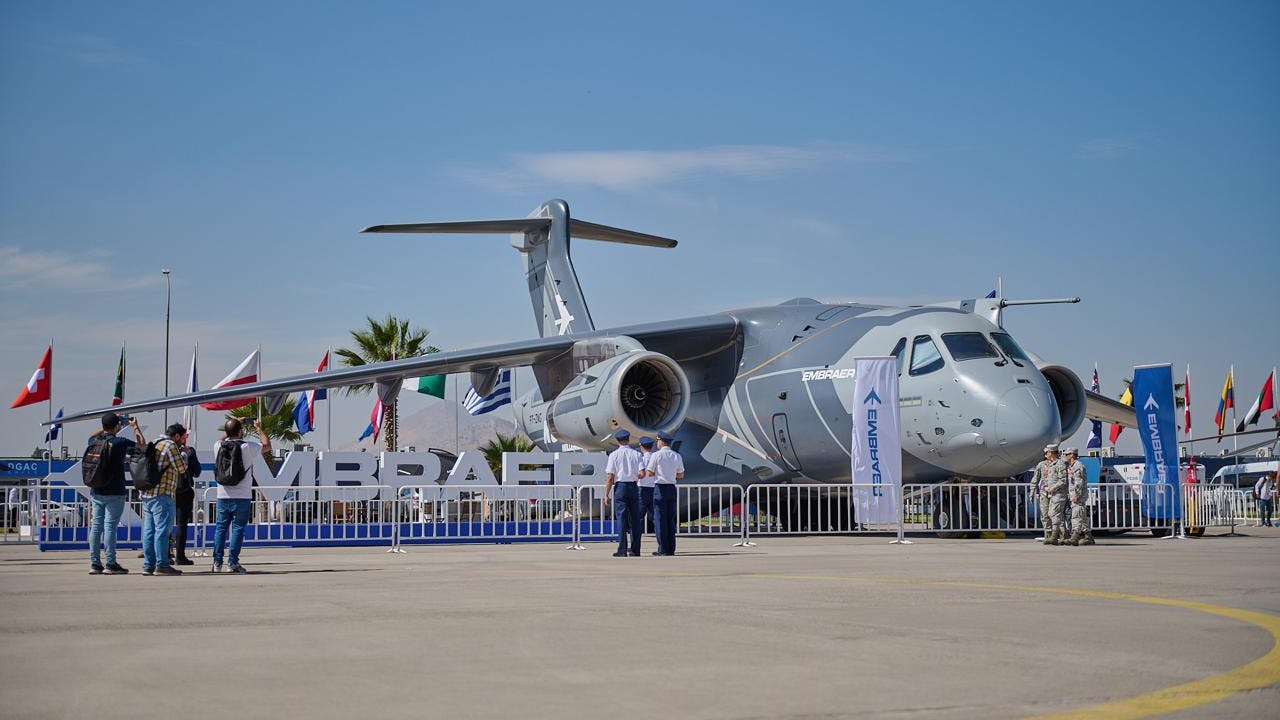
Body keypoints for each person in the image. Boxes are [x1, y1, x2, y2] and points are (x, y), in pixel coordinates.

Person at [87, 412, 143, 575]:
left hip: (97, 489)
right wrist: (135, 427)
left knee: (96, 526)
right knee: (110, 527)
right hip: (115, 490)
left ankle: (95, 563)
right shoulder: (120, 442)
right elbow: (141, 445)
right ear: (117, 426)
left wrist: (109, 423)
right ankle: (110, 563)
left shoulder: (94, 441)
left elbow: (91, 435)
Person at [212, 418, 270, 574]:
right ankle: (232, 563)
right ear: (240, 431)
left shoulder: (218, 446)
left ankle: (217, 563)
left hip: (223, 495)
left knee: (220, 529)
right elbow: (267, 445)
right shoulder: (246, 447)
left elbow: (221, 438)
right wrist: (258, 428)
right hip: (242, 495)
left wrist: (235, 422)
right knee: (237, 529)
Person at [139, 423, 188, 576]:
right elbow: (181, 468)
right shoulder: (170, 445)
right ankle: (162, 564)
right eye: (184, 438)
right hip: (163, 494)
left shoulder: (156, 443)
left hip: (147, 494)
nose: (184, 441)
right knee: (162, 531)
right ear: (177, 436)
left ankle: (148, 565)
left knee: (149, 531)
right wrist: (184, 455)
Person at [603, 429, 643, 557]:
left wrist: (606, 494)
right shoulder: (636, 454)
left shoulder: (614, 455)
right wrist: (633, 476)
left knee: (622, 519)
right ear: (628, 439)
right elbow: (642, 473)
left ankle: (622, 549)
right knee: (636, 519)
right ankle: (635, 549)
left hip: (620, 487)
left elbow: (610, 476)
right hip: (633, 486)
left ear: (617, 440)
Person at [645, 430, 684, 556]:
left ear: (660, 441)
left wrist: (660, 473)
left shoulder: (656, 455)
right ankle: (671, 548)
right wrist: (670, 474)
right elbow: (681, 474)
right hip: (672, 488)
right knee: (670, 519)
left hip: (660, 488)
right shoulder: (676, 455)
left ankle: (662, 548)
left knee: (660, 519)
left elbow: (649, 473)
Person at [172, 435, 201, 565]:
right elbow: (197, 472)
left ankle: (165, 555)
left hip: (167, 491)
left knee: (164, 524)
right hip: (184, 491)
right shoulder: (189, 451)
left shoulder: (164, 449)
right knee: (181, 524)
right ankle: (180, 556)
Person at [1031, 444, 1067, 545]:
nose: (1046, 454)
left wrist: (1053, 488)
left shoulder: (1058, 464)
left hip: (1055, 492)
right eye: (1045, 453)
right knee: (1045, 514)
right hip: (1045, 492)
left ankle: (1061, 534)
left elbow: (1062, 479)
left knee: (1056, 514)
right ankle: (1049, 534)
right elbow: (1035, 478)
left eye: (1047, 452)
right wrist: (1032, 490)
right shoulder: (1042, 465)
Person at [1062, 448, 1094, 546]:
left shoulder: (1077, 466)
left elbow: (1079, 482)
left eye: (1067, 454)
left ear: (1072, 455)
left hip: (1078, 496)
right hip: (1074, 495)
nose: (1065, 456)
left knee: (1076, 516)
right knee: (1082, 517)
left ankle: (1074, 537)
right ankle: (1088, 537)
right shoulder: (1072, 466)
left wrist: (1076, 495)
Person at [637, 436, 656, 536]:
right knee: (655, 516)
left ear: (641, 446)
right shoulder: (656, 457)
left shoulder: (641, 459)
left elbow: (640, 474)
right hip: (655, 488)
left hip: (642, 489)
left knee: (639, 516)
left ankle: (636, 538)